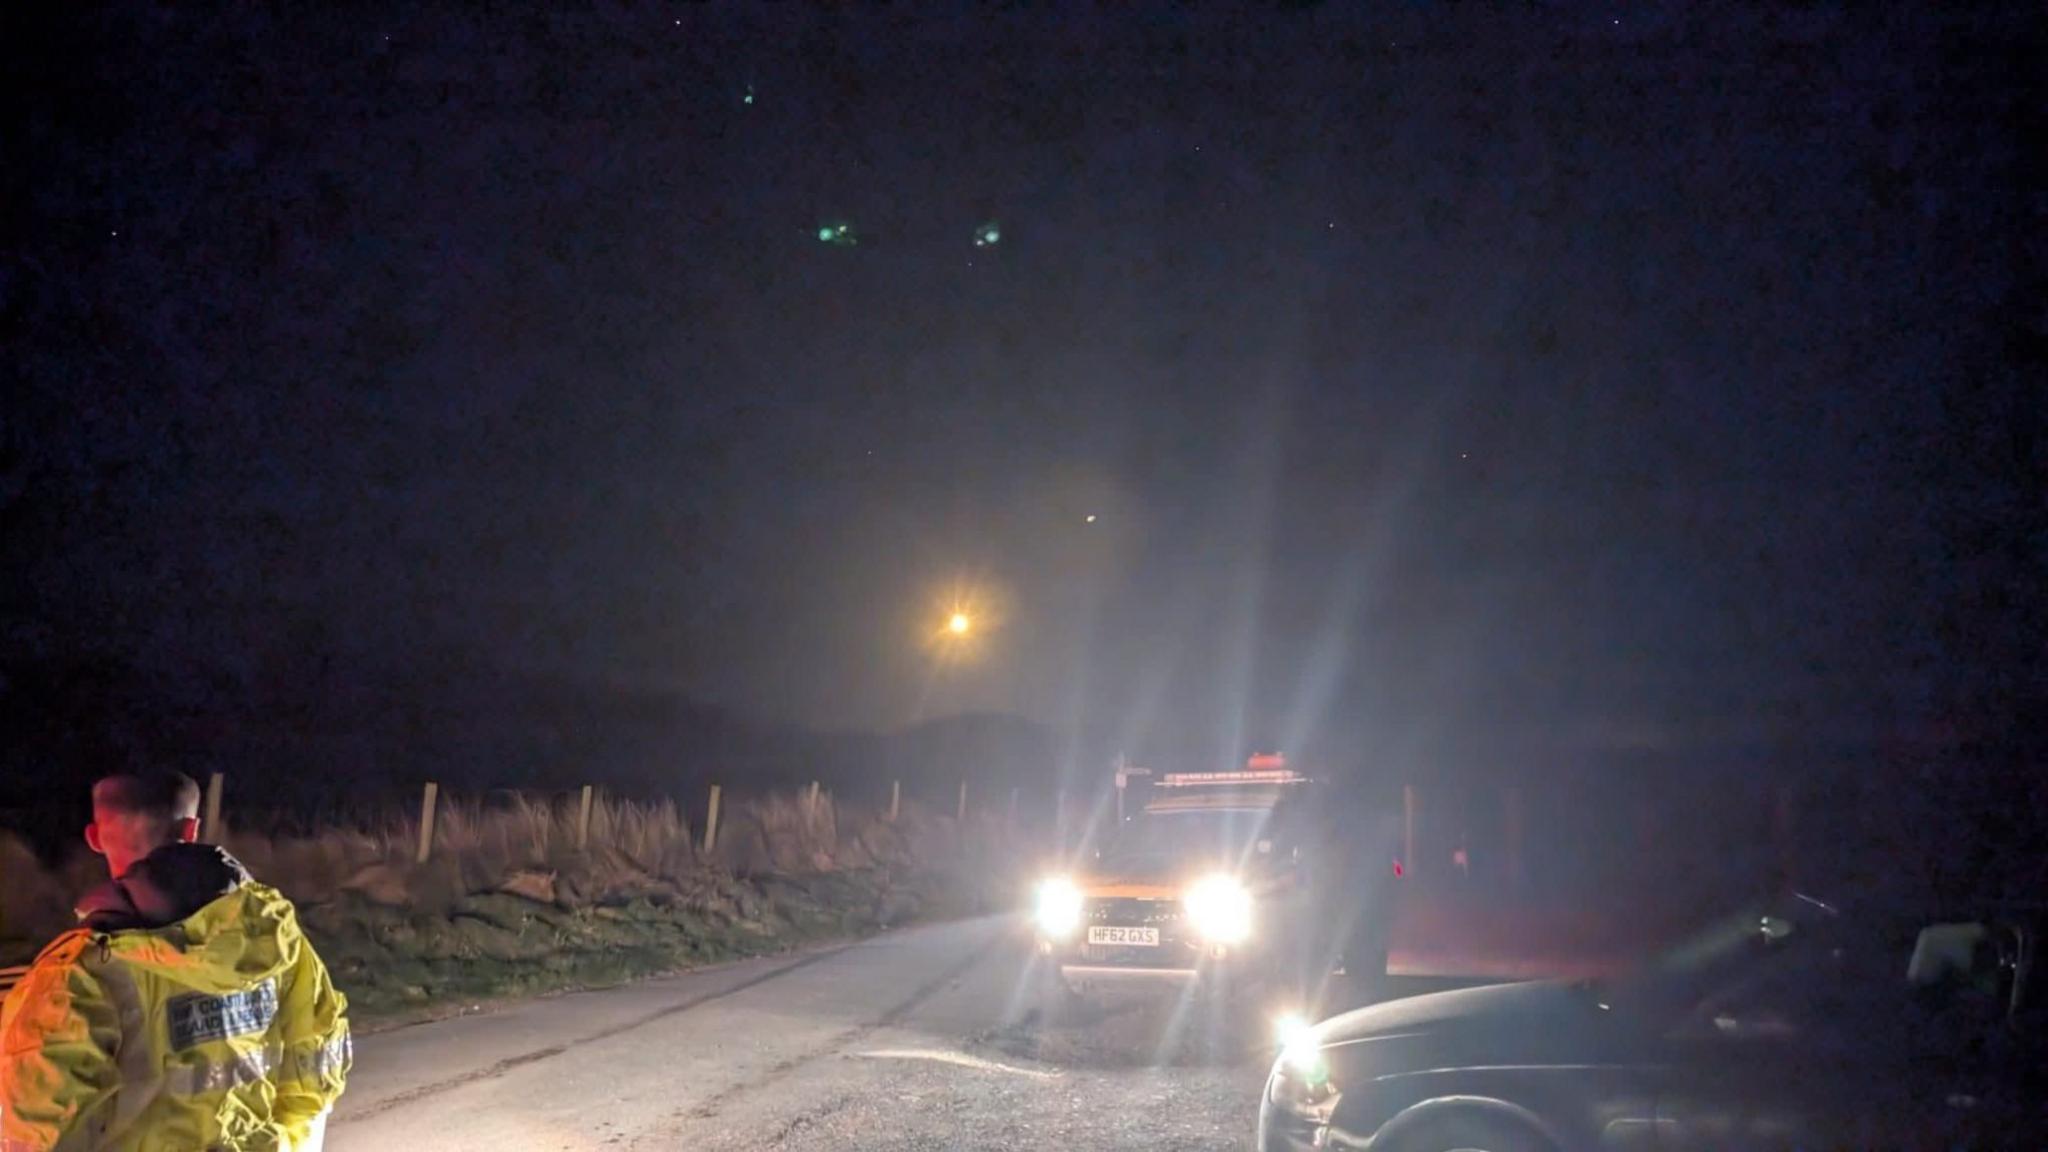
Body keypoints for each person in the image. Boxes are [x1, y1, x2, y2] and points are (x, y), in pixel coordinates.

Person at [0, 770, 350, 1150]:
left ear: (95, 838)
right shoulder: (277, 941)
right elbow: (315, 1073)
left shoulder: (77, 977)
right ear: (191, 829)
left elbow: (39, 1133)